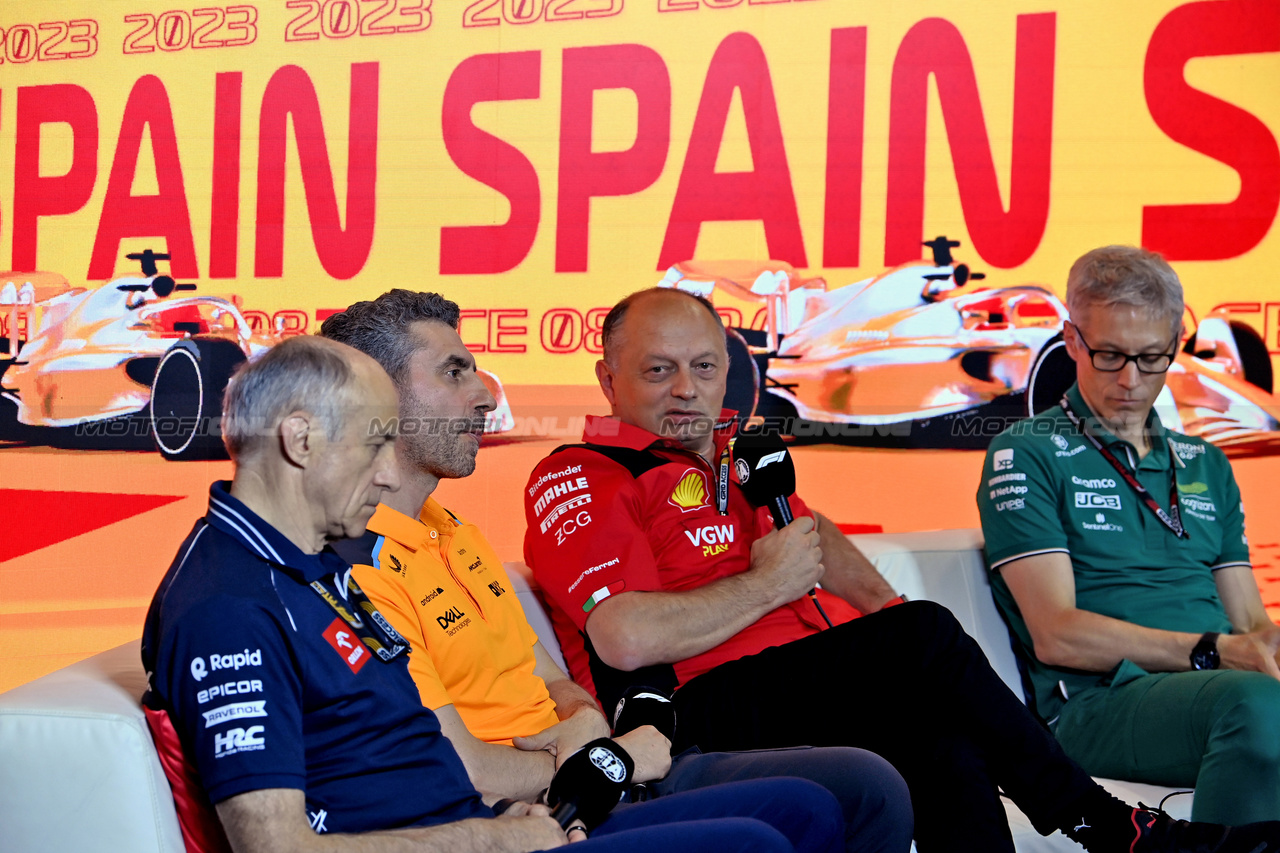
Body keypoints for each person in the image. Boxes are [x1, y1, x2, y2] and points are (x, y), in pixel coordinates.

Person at [521, 286, 1280, 853]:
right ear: (607, 377)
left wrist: (873, 606)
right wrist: (773, 585)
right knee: (919, 634)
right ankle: (1115, 830)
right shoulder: (585, 472)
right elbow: (621, 636)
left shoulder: (738, 459)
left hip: (794, 688)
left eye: (703, 367)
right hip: (686, 712)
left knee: (941, 739)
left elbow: (810, 534)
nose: (685, 389)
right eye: (659, 370)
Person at [140, 334, 849, 853]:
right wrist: (490, 836)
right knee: (756, 843)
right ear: (299, 439)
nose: (389, 477)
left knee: (811, 808)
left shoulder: (313, 564)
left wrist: (525, 808)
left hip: (501, 821)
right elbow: (277, 848)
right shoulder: (230, 605)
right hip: (475, 840)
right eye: (374, 444)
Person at [319, 289, 913, 853]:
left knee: (869, 785)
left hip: (601, 767)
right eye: (454, 373)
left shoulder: (456, 533)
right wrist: (599, 760)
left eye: (706, 368)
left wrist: (583, 729)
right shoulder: (347, 566)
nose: (485, 394)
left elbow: (552, 681)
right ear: (377, 398)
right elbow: (455, 765)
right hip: (533, 808)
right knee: (778, 824)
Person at [976, 245, 1280, 825]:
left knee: (1256, 701)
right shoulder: (1026, 452)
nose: (1131, 381)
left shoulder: (1206, 463)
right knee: (1256, 705)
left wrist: (1263, 644)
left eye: (1151, 359)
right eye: (1110, 355)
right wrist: (1210, 651)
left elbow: (1252, 624)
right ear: (1071, 341)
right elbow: (1056, 636)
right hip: (1097, 704)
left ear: (1173, 350)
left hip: (1212, 689)